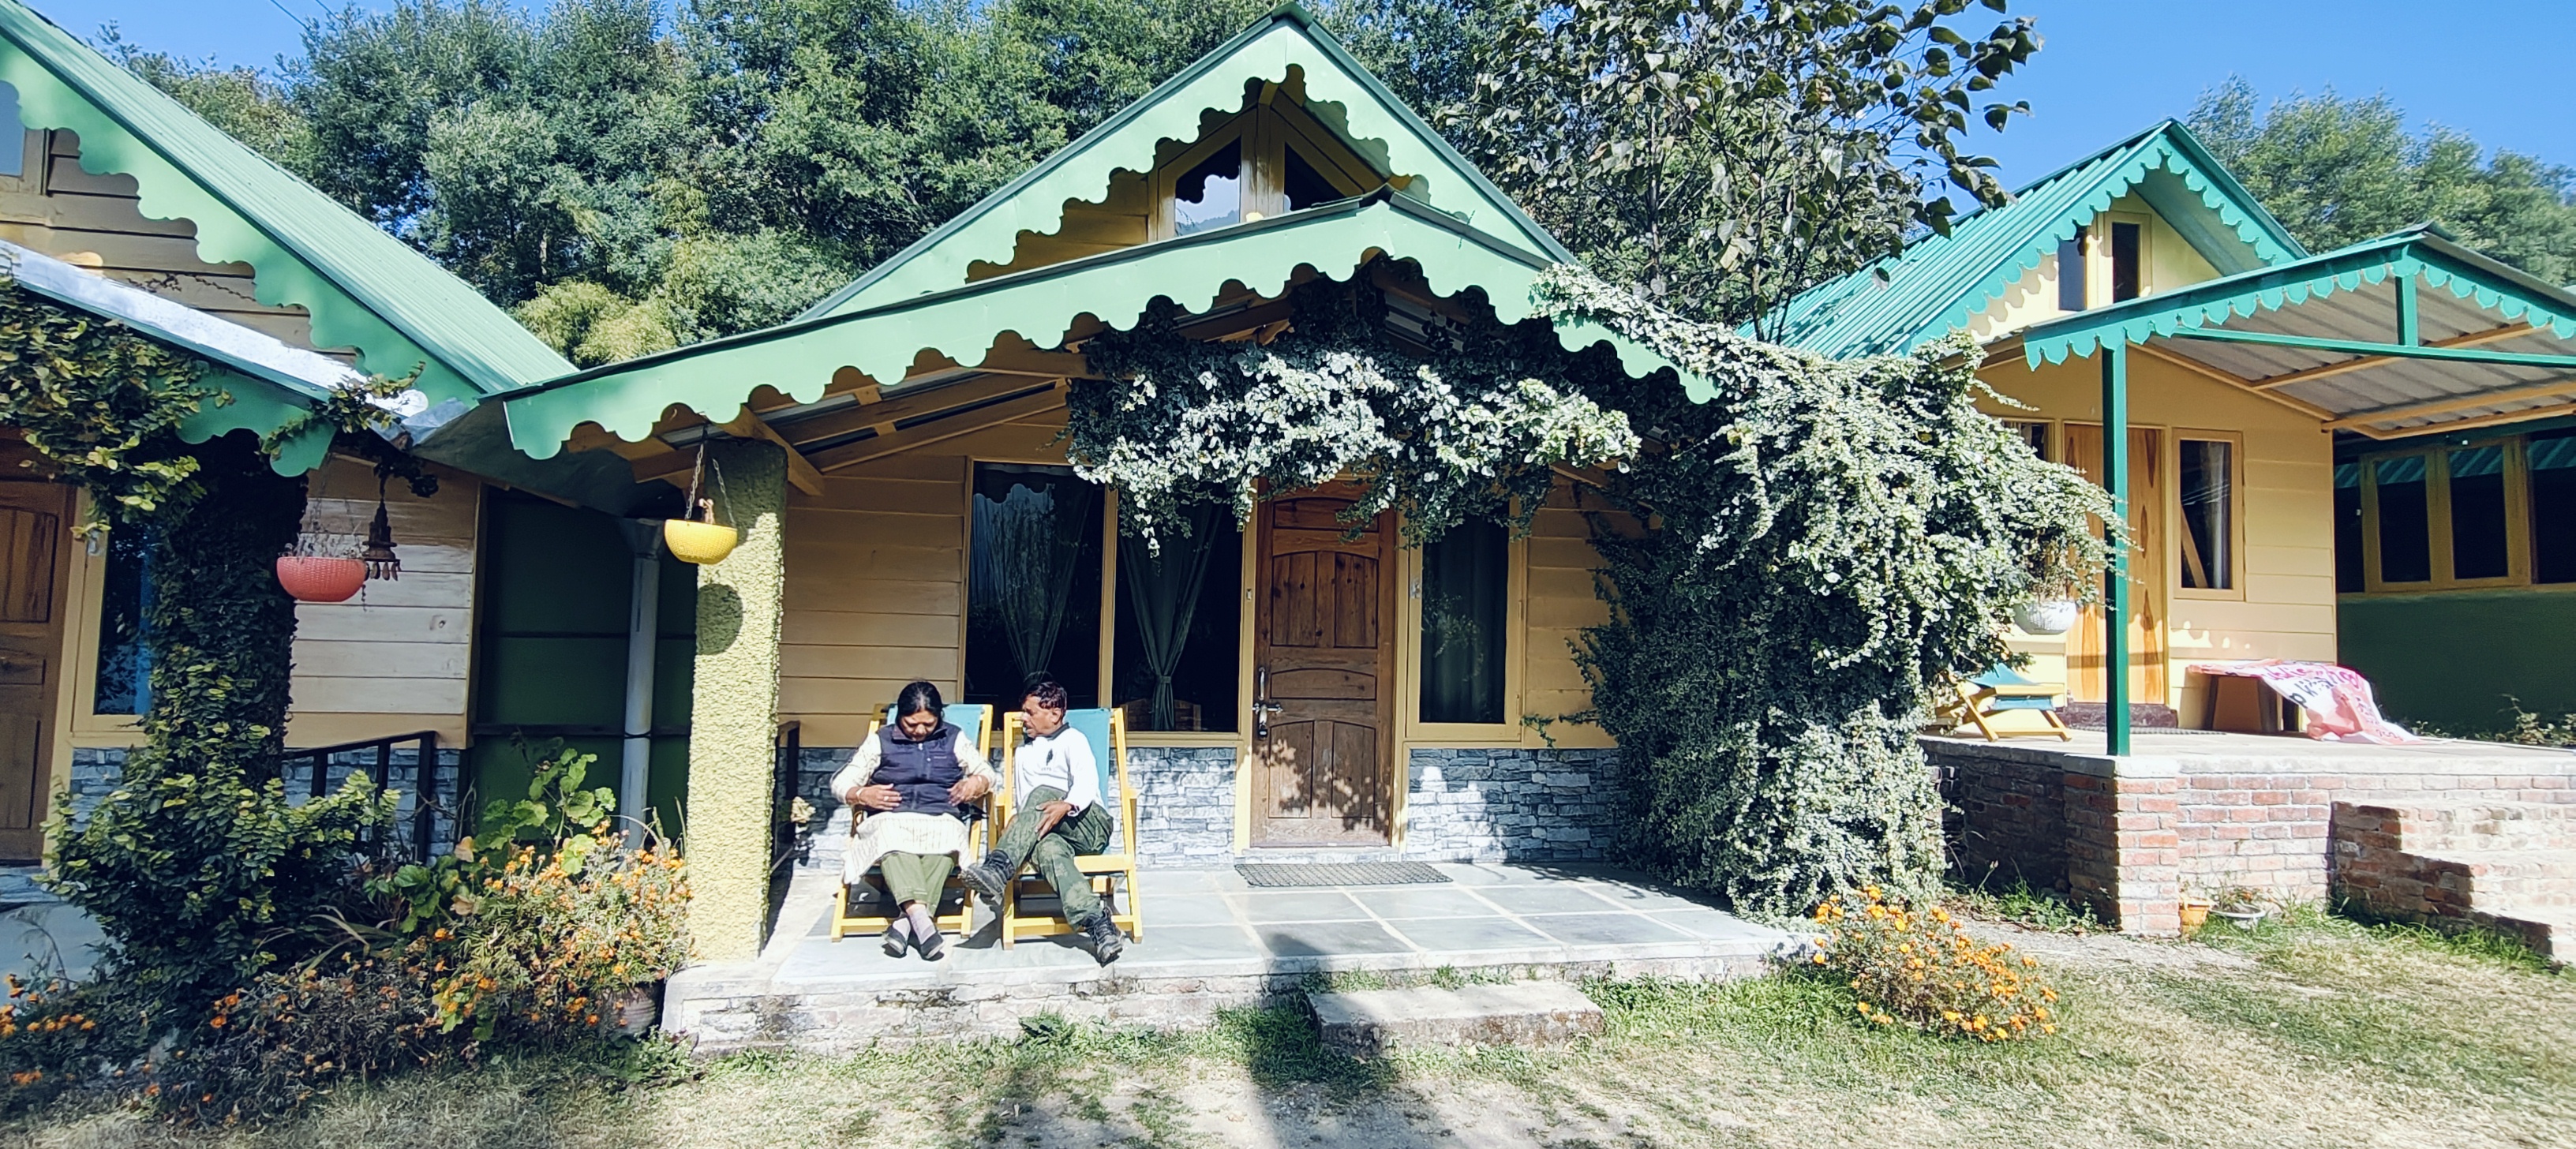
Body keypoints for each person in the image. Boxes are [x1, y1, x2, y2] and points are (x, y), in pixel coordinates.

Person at [959, 674, 1126, 964]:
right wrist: (1018, 819)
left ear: (1055, 714)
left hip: (1088, 824)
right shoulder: (1023, 752)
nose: (1023, 718)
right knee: (1048, 850)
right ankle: (1099, 924)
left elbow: (1086, 784)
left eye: (1030, 712)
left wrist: (1066, 804)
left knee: (1042, 794)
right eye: (1023, 712)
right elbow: (1026, 802)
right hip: (1050, 829)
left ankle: (998, 868)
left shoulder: (1074, 740)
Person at [832, 680, 995, 960]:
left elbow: (987, 773)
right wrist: (862, 793)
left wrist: (976, 782)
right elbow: (841, 783)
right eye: (911, 724)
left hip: (940, 816)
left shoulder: (954, 737)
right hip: (892, 817)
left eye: (928, 724)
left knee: (949, 838)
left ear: (939, 717)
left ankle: (905, 922)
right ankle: (921, 919)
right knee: (892, 837)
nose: (920, 731)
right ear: (900, 717)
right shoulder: (881, 740)